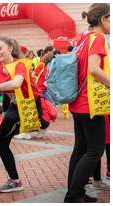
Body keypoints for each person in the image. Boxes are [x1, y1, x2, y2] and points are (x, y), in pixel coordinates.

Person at [0, 36, 49, 193]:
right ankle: (15, 181)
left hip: (31, 108)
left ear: (10, 48)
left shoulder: (20, 64)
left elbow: (16, 83)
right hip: (16, 109)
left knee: (8, 118)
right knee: (3, 143)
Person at [64, 3, 110, 203]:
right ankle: (74, 194)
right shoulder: (98, 38)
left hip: (77, 102)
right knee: (95, 151)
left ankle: (75, 191)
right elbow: (94, 69)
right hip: (91, 103)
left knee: (81, 148)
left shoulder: (83, 39)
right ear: (103, 19)